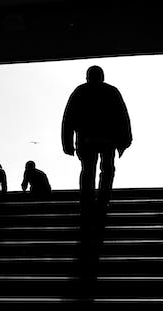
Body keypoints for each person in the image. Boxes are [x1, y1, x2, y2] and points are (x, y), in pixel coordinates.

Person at [61, 65, 132, 221]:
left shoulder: (80, 91)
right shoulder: (112, 91)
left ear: (87, 77)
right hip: (108, 139)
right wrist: (125, 140)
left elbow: (68, 119)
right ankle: (103, 201)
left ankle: (87, 201)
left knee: (88, 170)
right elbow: (123, 118)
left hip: (86, 140)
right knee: (107, 170)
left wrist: (67, 144)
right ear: (102, 76)